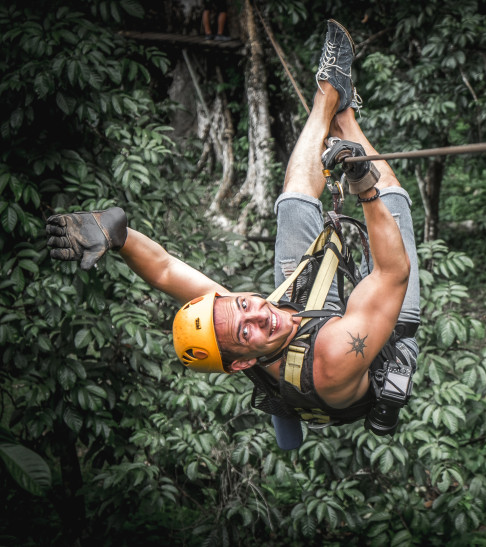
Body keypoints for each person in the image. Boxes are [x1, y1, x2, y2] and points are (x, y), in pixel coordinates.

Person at [46, 20, 420, 450]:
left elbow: (167, 271)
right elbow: (392, 272)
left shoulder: (245, 319)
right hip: (368, 344)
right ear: (243, 362)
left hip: (303, 324)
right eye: (247, 332)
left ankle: (328, 95)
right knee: (390, 202)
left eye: (243, 303)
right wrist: (362, 183)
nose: (259, 313)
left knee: (296, 199)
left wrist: (117, 235)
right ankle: (346, 117)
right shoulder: (334, 358)